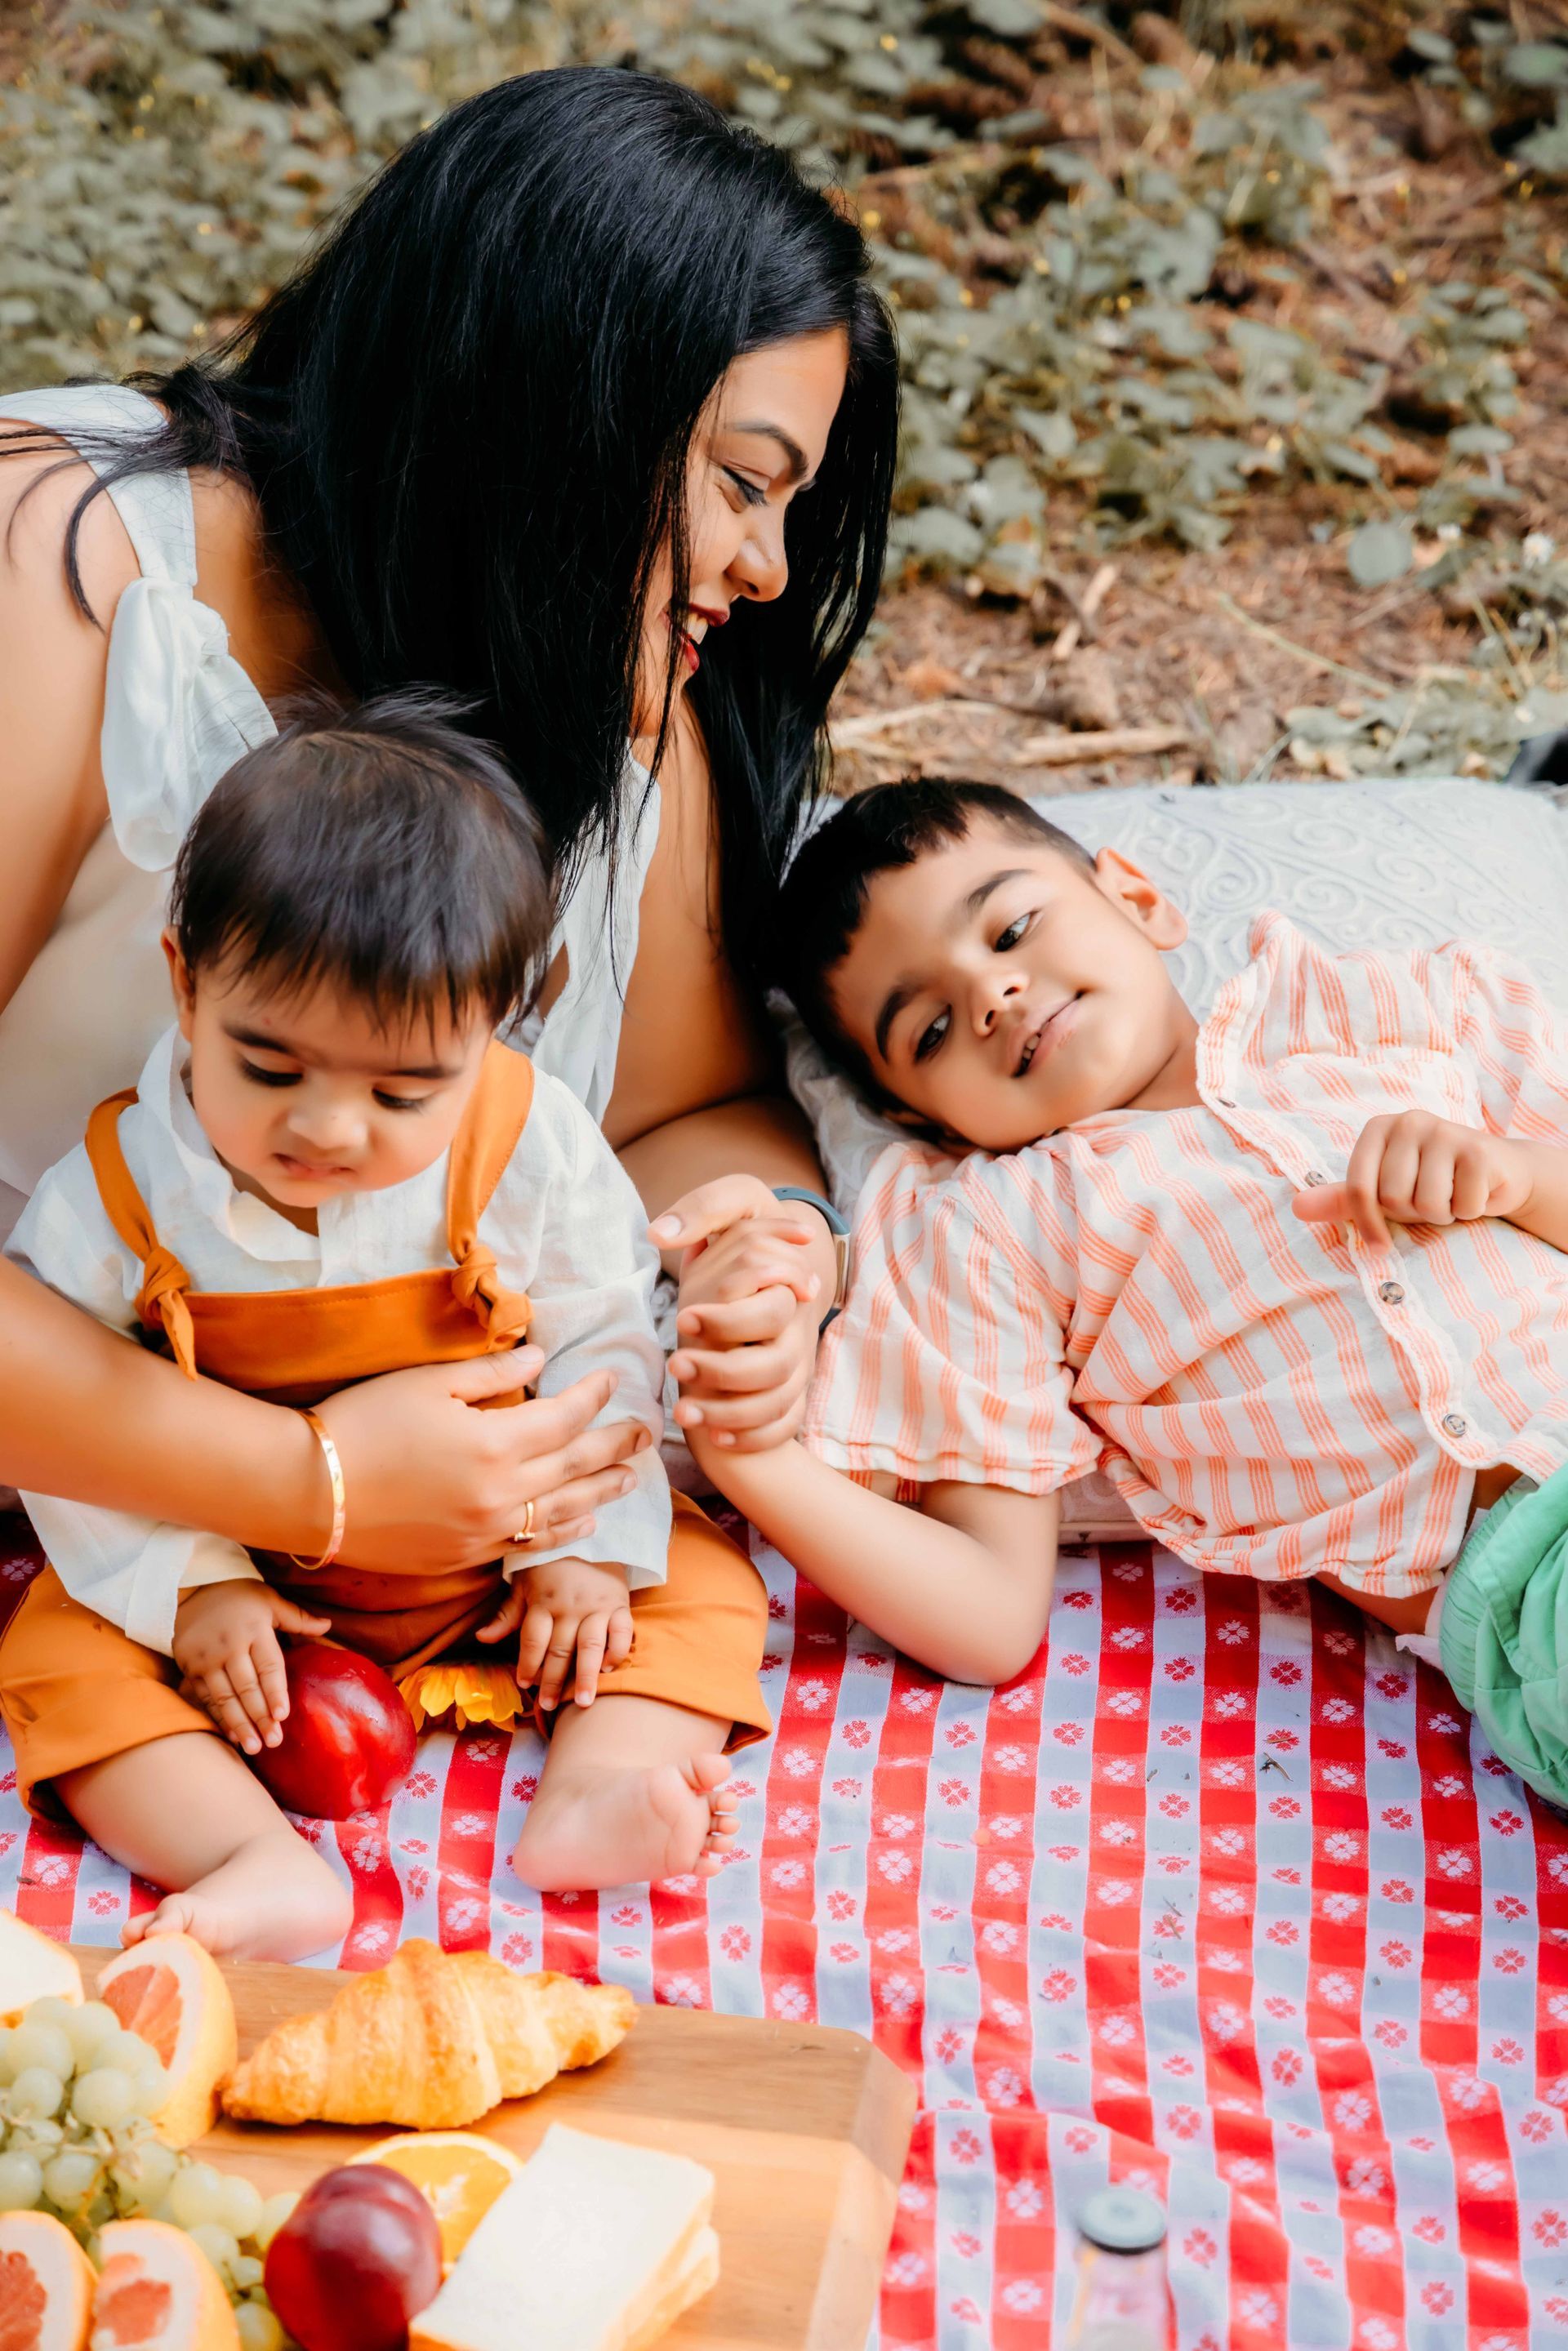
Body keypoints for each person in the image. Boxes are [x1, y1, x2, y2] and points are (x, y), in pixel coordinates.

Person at [0, 68, 896, 1603]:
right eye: (745, 484)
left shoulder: (618, 713)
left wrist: (776, 1246)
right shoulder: (62, 579)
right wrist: (308, 1483)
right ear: (557, 407)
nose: (764, 567)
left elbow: (691, 1115)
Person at [1, 700, 773, 1960]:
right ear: (187, 982)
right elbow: (70, 1432)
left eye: (403, 1090)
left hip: (499, 1557)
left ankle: (601, 1781)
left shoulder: (523, 1142)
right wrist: (197, 1589)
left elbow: (603, 1338)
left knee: (697, 1584)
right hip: (253, 1576)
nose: (331, 1130)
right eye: (269, 1067)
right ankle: (251, 1858)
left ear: (494, 1029)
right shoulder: (117, 1194)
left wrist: (579, 1546)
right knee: (56, 1655)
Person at [679, 780, 1568, 1807]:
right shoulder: (995, 1232)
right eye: (928, 1031)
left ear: (1138, 898)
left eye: (1011, 927)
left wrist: (1514, 1173)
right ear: (917, 1115)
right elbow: (987, 1614)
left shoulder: (1388, 1011)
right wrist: (752, 1456)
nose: (991, 995)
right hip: (1529, 1588)